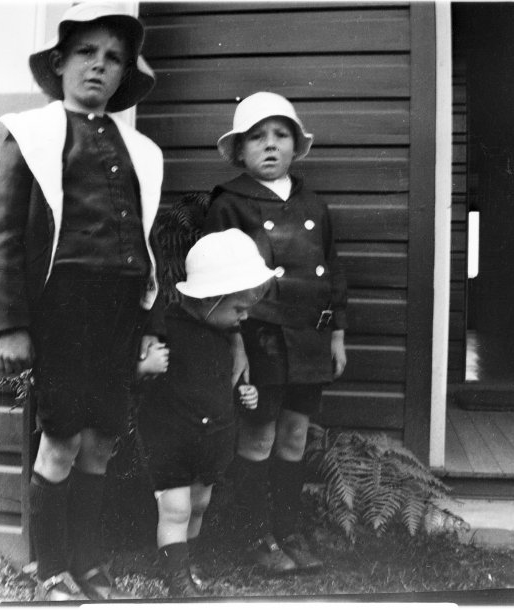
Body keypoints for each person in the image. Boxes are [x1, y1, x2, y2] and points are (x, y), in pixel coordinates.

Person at [0, 3, 163, 602]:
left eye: (113, 59)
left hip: (118, 310)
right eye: (86, 53)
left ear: (124, 74)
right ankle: (51, 569)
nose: (99, 66)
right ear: (59, 63)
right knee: (60, 439)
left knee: (101, 439)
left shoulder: (140, 151)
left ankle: (89, 563)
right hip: (61, 308)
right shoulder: (28, 135)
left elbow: (146, 245)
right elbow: (3, 237)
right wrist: (9, 325)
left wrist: (147, 325)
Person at [203, 91, 348, 574]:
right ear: (239, 151)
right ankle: (254, 537)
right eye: (257, 137)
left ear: (295, 146)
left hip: (308, 339)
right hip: (259, 338)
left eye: (281, 135)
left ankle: (288, 530)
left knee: (295, 436)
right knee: (258, 436)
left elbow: (333, 271)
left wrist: (337, 334)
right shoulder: (229, 203)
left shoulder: (314, 204)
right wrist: (235, 344)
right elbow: (217, 285)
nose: (270, 145)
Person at [138, 229, 274, 597]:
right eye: (238, 308)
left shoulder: (227, 336)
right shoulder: (167, 327)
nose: (244, 316)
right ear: (211, 299)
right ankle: (176, 579)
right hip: (171, 438)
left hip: (211, 439)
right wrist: (144, 366)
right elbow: (138, 379)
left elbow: (223, 384)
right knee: (176, 509)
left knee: (199, 504)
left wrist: (244, 393)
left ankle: (188, 561)